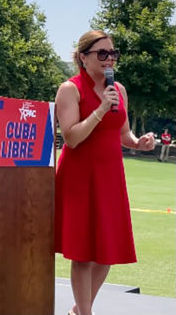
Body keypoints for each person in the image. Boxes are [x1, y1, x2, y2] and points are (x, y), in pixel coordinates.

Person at [54, 30, 155, 315]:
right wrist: (100, 109)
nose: (109, 59)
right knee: (83, 254)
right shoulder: (70, 89)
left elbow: (123, 133)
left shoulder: (119, 90)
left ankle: (79, 309)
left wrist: (139, 143)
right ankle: (85, 313)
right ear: (83, 57)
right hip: (80, 178)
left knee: (107, 252)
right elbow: (71, 138)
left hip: (110, 177)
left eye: (113, 53)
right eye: (102, 53)